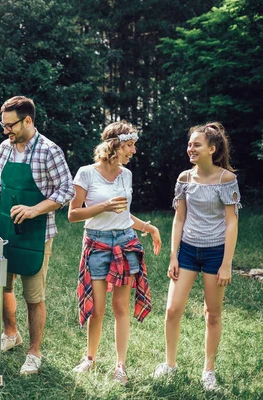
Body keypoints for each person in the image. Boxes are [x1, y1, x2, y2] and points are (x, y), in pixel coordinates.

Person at [0, 96, 75, 375]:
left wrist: (33, 209)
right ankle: (11, 333)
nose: (6, 131)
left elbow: (66, 191)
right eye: (3, 126)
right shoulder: (5, 147)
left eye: (10, 125)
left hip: (36, 234)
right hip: (5, 230)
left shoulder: (49, 151)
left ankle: (34, 351)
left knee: (33, 296)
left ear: (28, 120)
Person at [67, 121, 162, 384]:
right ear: (115, 145)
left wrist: (148, 227)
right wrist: (104, 206)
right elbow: (73, 215)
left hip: (125, 242)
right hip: (97, 244)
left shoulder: (126, 175)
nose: (134, 150)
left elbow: (124, 214)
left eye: (134, 145)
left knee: (121, 307)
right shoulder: (86, 173)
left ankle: (120, 366)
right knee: (97, 310)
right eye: (130, 145)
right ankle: (90, 358)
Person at [152, 122, 240, 391]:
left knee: (212, 314)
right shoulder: (184, 179)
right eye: (190, 144)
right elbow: (179, 219)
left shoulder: (226, 179)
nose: (191, 148)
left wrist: (226, 264)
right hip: (188, 250)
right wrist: (173, 256)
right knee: (172, 309)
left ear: (212, 149)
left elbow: (231, 223)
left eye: (196, 144)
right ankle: (169, 364)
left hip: (216, 254)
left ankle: (208, 371)